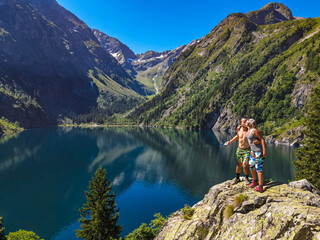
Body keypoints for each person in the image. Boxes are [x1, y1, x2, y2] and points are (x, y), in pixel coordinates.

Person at [227, 118, 251, 185]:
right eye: (244, 122)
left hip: (247, 150)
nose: (246, 123)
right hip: (239, 149)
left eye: (246, 122)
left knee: (245, 165)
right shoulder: (239, 130)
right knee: (239, 165)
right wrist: (230, 142)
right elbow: (237, 136)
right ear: (241, 123)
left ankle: (246, 178)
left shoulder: (250, 130)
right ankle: (237, 178)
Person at [246, 118, 267, 193]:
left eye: (246, 122)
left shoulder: (255, 131)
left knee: (258, 168)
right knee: (251, 165)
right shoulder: (248, 130)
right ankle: (255, 181)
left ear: (248, 124)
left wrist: (264, 150)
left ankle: (260, 187)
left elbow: (262, 139)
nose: (245, 123)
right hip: (253, 152)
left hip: (258, 152)